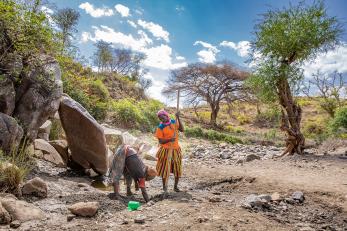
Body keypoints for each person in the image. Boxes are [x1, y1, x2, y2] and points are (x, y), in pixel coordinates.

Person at [155, 109, 184, 196]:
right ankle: (165, 187)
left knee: (177, 168)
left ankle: (175, 186)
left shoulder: (174, 122)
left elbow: (182, 129)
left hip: (176, 149)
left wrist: (178, 118)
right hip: (165, 150)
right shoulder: (160, 127)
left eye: (162, 117)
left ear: (166, 115)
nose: (161, 119)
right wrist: (169, 139)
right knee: (165, 169)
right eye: (160, 118)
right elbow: (161, 141)